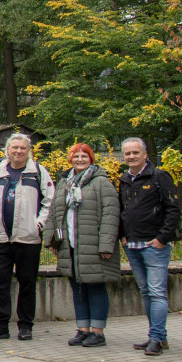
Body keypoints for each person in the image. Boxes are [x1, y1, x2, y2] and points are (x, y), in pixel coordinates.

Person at [0, 133, 55, 341]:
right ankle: (0, 326)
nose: (18, 152)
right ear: (7, 150)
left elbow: (49, 201)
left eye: (22, 148)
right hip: (1, 238)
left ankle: (25, 325)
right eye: (14, 148)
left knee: (27, 283)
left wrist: (38, 223)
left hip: (28, 239)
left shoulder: (38, 172)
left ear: (28, 150)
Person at [47, 143, 119, 348]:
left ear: (91, 158)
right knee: (77, 288)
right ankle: (83, 329)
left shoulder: (101, 183)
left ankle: (98, 332)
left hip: (93, 244)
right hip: (70, 244)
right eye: (76, 156)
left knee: (95, 286)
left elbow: (111, 215)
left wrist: (106, 245)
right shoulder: (64, 183)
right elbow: (55, 213)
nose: (80, 159)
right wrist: (52, 240)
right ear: (70, 159)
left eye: (84, 156)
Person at [118, 137, 181, 356]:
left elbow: (173, 209)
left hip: (155, 246)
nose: (131, 157)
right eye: (127, 153)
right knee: (146, 291)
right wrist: (122, 236)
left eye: (135, 152)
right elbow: (122, 210)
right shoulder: (125, 179)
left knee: (157, 292)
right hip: (132, 246)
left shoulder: (159, 176)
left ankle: (156, 337)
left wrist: (162, 238)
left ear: (145, 154)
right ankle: (157, 337)